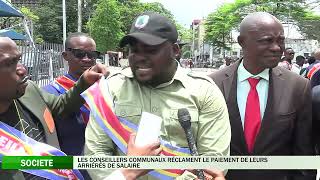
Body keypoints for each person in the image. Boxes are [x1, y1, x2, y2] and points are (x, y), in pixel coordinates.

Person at [84, 12, 230, 180]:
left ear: (175, 50)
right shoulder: (111, 88)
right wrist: (127, 173)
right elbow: (95, 155)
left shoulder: (204, 92)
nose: (139, 58)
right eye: (134, 50)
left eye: (151, 50)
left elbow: (213, 161)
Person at [209, 12, 315, 180]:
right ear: (242, 42)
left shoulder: (298, 86)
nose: (276, 47)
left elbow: (304, 154)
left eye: (280, 40)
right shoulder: (212, 85)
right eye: (266, 40)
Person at [0, 37, 107, 179]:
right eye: (9, 63)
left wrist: (85, 82)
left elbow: (60, 106)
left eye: (19, 60)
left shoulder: (30, 90)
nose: (22, 69)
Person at [42, 32, 98, 156]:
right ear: (65, 55)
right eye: (79, 54)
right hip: (71, 167)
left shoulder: (104, 88)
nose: (87, 59)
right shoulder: (50, 93)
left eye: (92, 55)